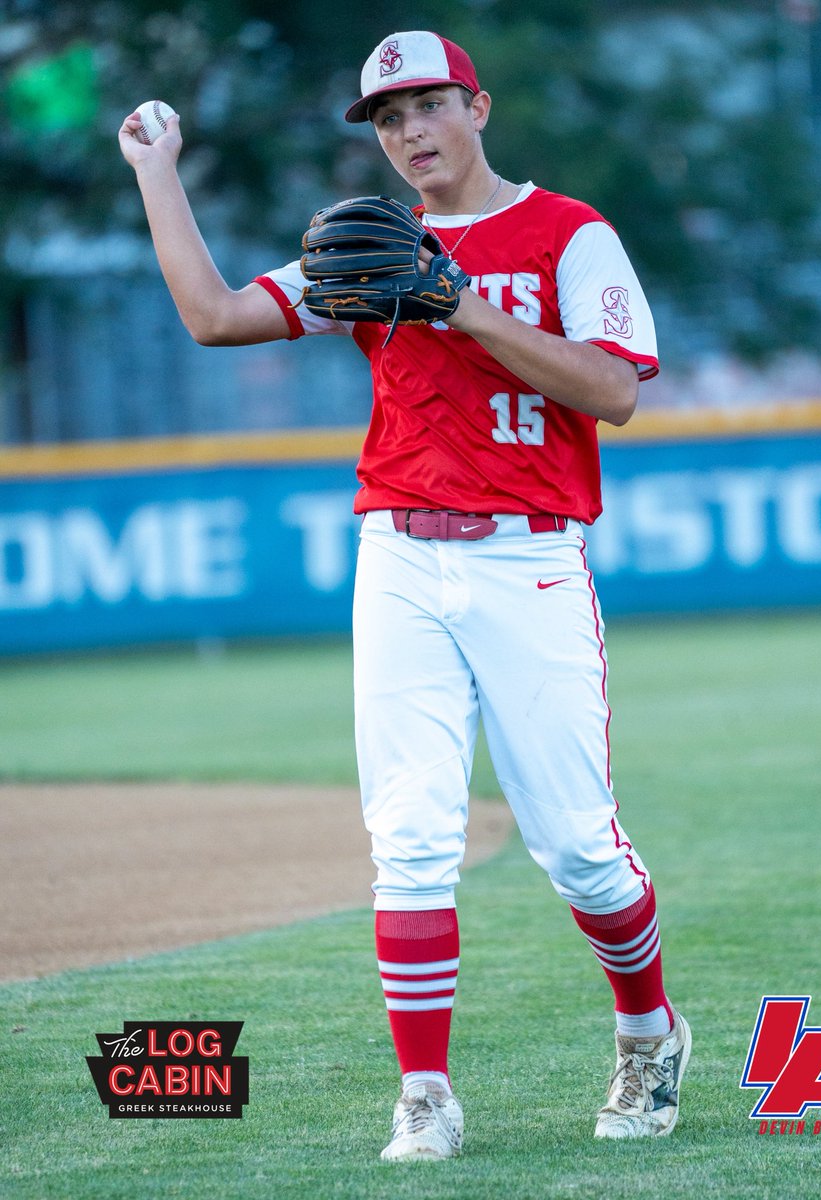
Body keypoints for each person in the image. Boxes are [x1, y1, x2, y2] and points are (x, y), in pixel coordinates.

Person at [118, 28, 690, 1163]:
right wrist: (156, 171)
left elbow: (615, 392)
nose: (410, 131)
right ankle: (423, 1095)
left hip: (529, 557)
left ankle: (648, 1031)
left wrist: (461, 304)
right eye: (388, 118)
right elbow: (216, 318)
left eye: (429, 104)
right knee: (412, 841)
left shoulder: (569, 233)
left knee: (578, 846)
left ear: (479, 107)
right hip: (398, 556)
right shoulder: (369, 247)